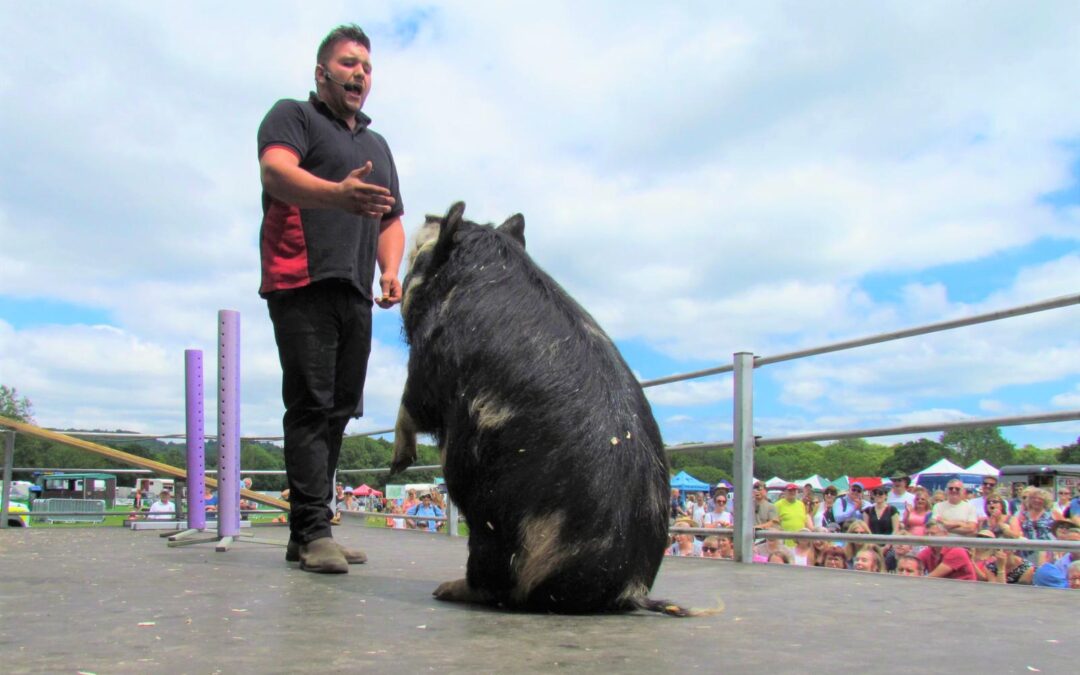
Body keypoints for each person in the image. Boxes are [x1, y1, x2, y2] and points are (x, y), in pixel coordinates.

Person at [258, 24, 405, 574]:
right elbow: (276, 172)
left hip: (354, 288)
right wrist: (339, 196)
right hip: (300, 277)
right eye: (348, 64)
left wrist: (390, 269)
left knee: (340, 409)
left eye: (366, 67)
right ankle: (314, 531)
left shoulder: (377, 144)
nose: (359, 74)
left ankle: (309, 532)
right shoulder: (293, 116)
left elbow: (391, 218)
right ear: (322, 72)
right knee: (311, 404)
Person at [1008, 486, 1055, 561]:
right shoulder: (1022, 515)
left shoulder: (1052, 514)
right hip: (1026, 551)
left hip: (1046, 550)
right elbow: (1015, 531)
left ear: (1045, 501)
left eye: (1040, 499)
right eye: (1034, 498)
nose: (1036, 500)